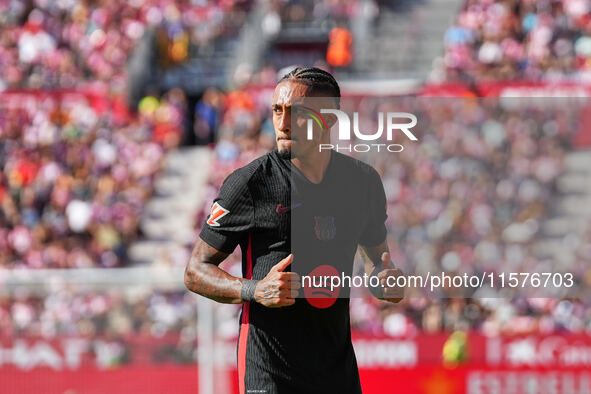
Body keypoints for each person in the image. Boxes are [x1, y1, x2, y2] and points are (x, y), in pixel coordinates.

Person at [184, 66, 404, 394]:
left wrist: (385, 279)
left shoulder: (362, 183)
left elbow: (377, 260)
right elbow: (195, 271)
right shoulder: (249, 184)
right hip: (270, 373)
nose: (282, 124)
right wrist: (255, 290)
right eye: (277, 110)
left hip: (336, 372)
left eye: (298, 114)